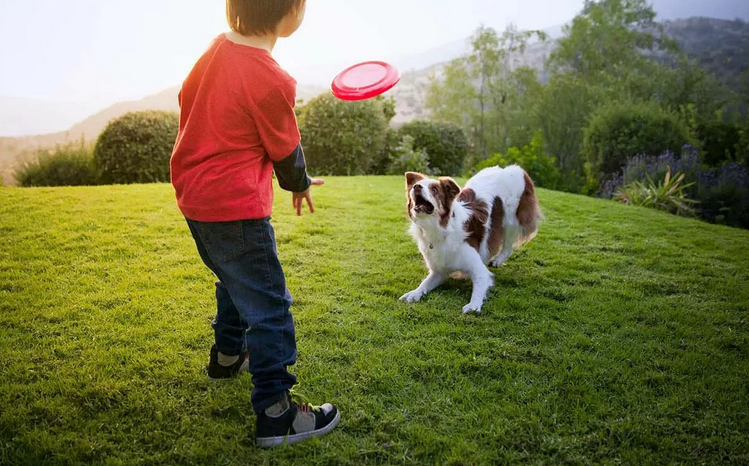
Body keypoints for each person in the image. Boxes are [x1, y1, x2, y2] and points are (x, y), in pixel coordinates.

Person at [169, 0, 340, 448]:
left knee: (232, 279)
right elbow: (284, 144)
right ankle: (276, 411)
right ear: (290, 14)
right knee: (268, 304)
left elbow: (188, 102)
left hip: (195, 198)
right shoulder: (272, 77)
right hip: (235, 205)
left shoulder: (214, 49)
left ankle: (227, 356)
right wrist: (298, 183)